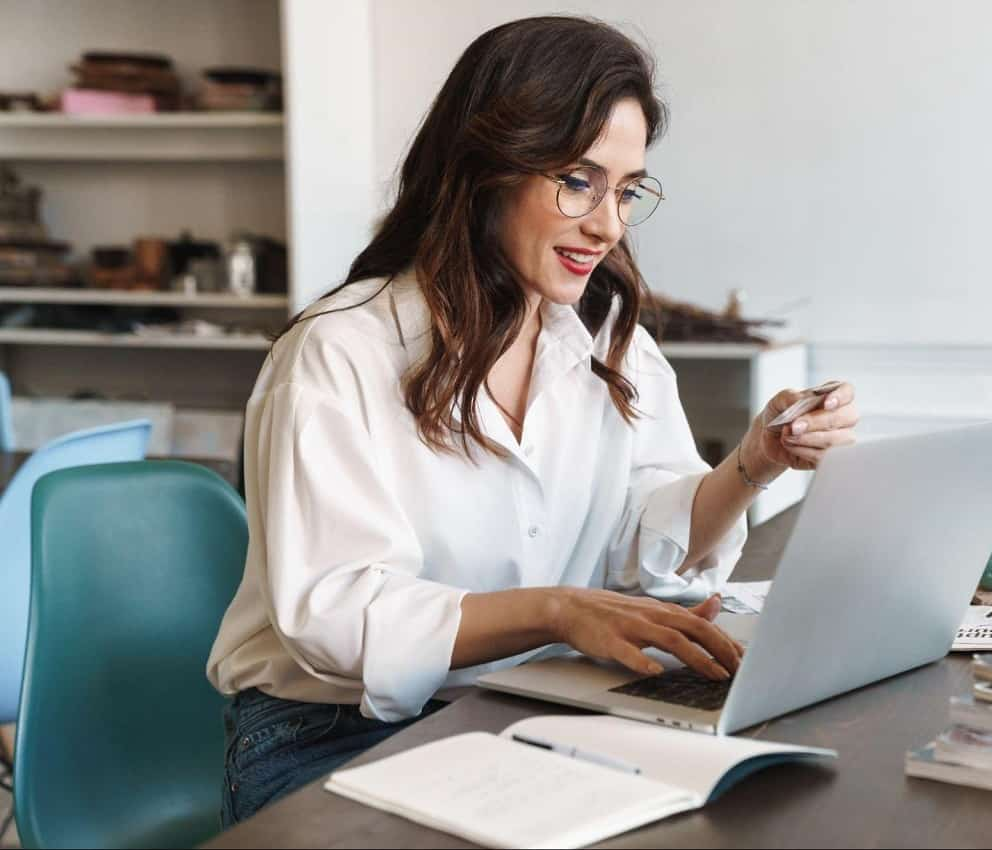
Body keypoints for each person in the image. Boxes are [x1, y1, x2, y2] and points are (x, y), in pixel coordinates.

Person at [207, 15, 859, 826]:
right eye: (578, 181)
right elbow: (336, 619)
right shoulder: (338, 352)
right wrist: (555, 610)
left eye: (626, 191)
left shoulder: (611, 343)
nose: (608, 225)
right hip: (326, 736)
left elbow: (642, 542)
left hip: (524, 708)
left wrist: (752, 465)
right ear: (486, 168)